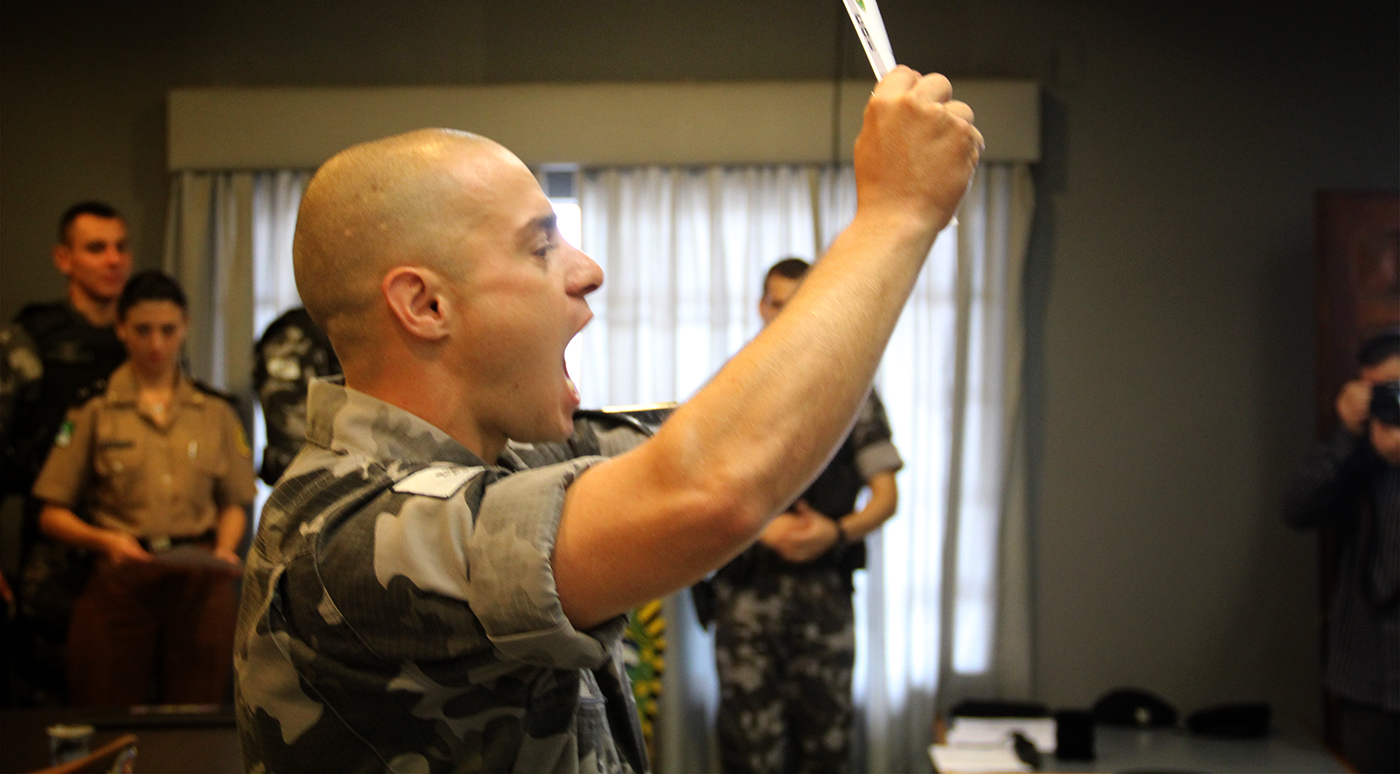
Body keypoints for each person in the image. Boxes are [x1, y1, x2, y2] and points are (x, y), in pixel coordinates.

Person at [234, 66, 982, 772]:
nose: (589, 270)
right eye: (542, 245)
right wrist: (897, 214)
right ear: (426, 305)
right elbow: (712, 486)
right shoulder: (344, 534)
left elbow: (742, 435)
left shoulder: (510, 455)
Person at [702, 256, 900, 773]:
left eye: (799, 304)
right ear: (761, 306)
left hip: (822, 602)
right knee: (749, 755)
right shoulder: (732, 388)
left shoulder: (852, 387)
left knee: (826, 752)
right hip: (748, 601)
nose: (786, 316)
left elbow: (886, 496)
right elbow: (701, 486)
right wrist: (764, 528)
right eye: (777, 304)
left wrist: (835, 532)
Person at [32, 270, 257, 707]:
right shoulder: (94, 408)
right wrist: (106, 541)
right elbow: (51, 513)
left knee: (196, 715)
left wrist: (225, 549)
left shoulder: (216, 411)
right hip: (123, 578)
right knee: (108, 709)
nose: (156, 344)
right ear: (121, 328)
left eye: (168, 330)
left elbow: (235, 500)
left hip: (199, 580)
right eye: (143, 330)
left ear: (185, 326)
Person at [0, 201, 132, 706]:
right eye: (96, 248)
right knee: (50, 694)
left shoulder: (144, 336)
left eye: (120, 247)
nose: (113, 259)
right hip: (54, 543)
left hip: (127, 537)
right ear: (64, 259)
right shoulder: (30, 339)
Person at [1283, 331, 1400, 774]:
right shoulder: (1359, 456)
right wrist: (1348, 436)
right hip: (1367, 678)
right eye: (1381, 392)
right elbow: (1298, 511)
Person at [251, 306, 341, 487]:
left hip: (328, 472)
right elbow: (285, 417)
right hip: (310, 476)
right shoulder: (295, 336)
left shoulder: (330, 326)